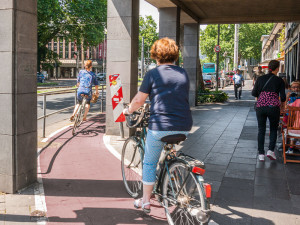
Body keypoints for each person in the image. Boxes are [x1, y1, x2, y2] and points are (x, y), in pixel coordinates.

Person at [123, 38, 193, 213]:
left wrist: (128, 111)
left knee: (149, 162)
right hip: (184, 125)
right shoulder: (183, 73)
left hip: (160, 125)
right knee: (170, 148)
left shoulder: (153, 74)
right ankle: (173, 172)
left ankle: (145, 201)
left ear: (156, 55)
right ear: (174, 54)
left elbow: (139, 100)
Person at [252, 60, 286, 161]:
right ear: (277, 68)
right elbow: (283, 97)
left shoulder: (260, 78)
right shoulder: (279, 80)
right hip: (273, 107)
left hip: (261, 106)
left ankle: (261, 154)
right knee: (273, 129)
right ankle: (270, 151)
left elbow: (254, 93)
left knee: (261, 130)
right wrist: (282, 106)